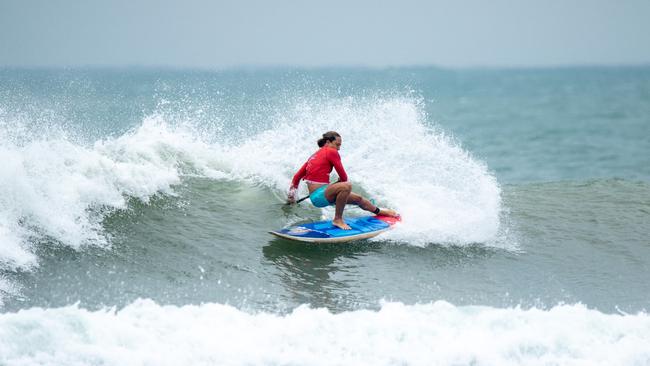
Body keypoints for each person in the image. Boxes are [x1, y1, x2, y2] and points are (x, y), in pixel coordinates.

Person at [288, 131, 398, 230]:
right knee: (346, 186)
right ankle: (338, 219)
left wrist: (291, 197)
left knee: (359, 199)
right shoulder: (331, 152)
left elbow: (296, 177)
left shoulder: (313, 156)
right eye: (337, 145)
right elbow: (344, 178)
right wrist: (339, 182)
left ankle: (380, 212)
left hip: (320, 194)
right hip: (320, 196)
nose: (339, 148)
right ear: (328, 142)